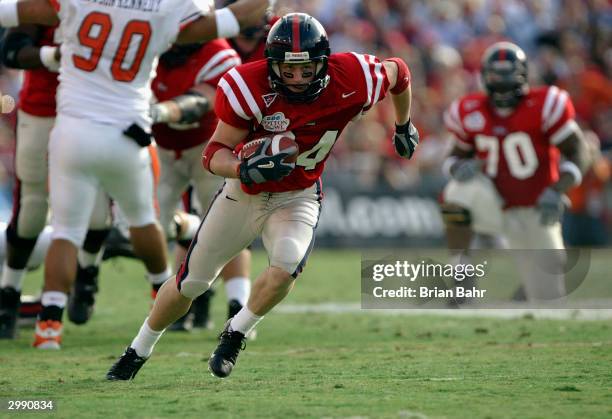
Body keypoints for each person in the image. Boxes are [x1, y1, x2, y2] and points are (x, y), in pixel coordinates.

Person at [106, 12, 419, 380]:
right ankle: (138, 349)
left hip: (298, 195)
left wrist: (403, 124)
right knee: (191, 282)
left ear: (324, 62)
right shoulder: (247, 84)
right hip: (244, 193)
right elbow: (213, 153)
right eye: (288, 71)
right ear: (272, 65)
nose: (299, 79)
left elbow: (399, 72)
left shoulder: (354, 75)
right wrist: (242, 168)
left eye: (306, 70)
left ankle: (235, 333)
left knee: (286, 265)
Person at [0, 0, 271, 349]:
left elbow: (14, 13)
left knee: (67, 232)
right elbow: (232, 19)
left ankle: (49, 327)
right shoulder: (163, 9)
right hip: (129, 131)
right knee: (145, 221)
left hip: (73, 129)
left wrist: (52, 52)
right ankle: (161, 292)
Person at [440, 42, 590, 301]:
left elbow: (579, 151)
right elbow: (453, 157)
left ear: (522, 74)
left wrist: (558, 190)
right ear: (485, 75)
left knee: (548, 296)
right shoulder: (470, 110)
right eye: (496, 73)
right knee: (456, 191)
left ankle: (522, 293)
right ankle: (461, 273)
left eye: (507, 73)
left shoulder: (546, 104)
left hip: (537, 208)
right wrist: (456, 167)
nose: (502, 80)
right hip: (495, 203)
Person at [0, 23, 110, 338]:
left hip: (96, 111)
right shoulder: (43, 8)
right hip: (42, 107)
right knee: (32, 207)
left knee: (98, 207)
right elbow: (11, 51)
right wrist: (57, 53)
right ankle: (9, 292)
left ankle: (86, 274)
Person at [151, 40, 252, 331]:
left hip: (209, 148)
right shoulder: (147, 39)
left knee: (231, 227)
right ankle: (190, 232)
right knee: (152, 226)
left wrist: (157, 112)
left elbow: (199, 102)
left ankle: (237, 305)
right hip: (160, 148)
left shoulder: (217, 51)